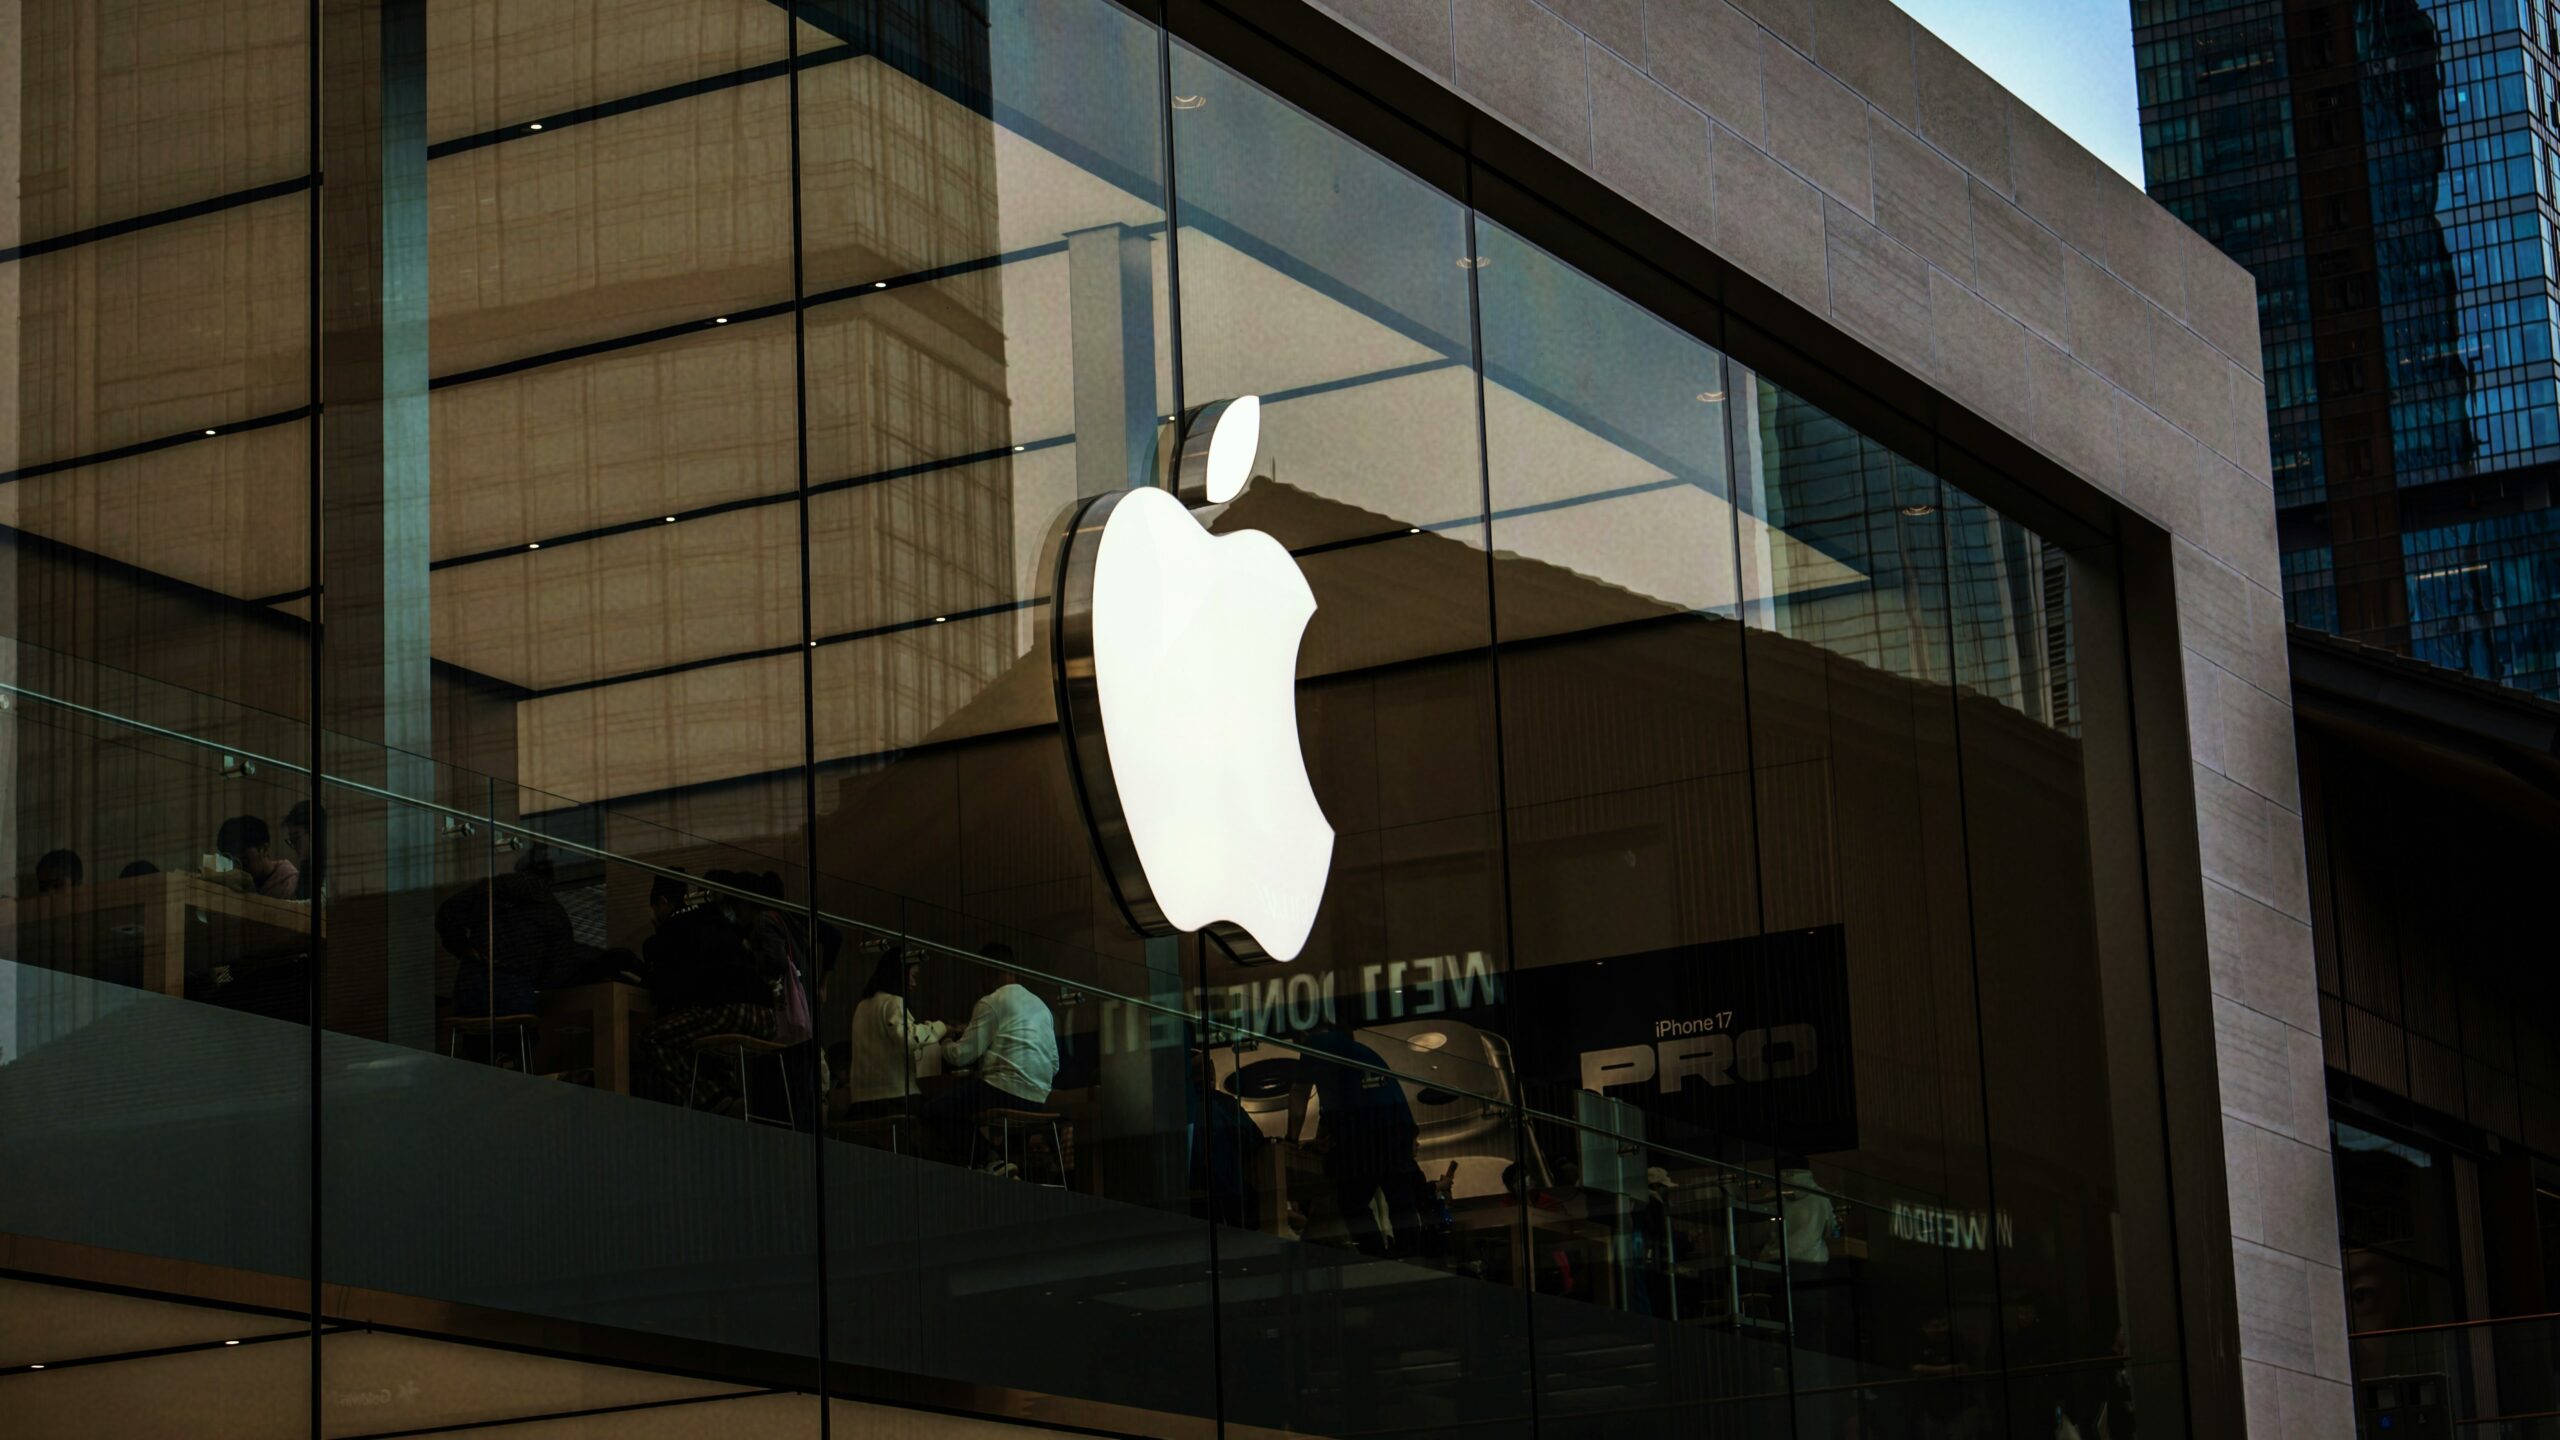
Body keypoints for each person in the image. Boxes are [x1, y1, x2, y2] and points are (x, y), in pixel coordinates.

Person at [1286, 1021, 1442, 1259]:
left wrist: (1291, 1139)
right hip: (1396, 1128)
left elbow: (1300, 1094)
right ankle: (1410, 1256)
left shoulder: (1316, 1043)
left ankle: (1376, 1258)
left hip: (1365, 1133)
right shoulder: (1361, 1050)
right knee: (1401, 1201)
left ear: (1304, 1033)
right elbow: (1347, 1097)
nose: (1300, 1049)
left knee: (1353, 1202)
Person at [639, 874, 782, 1113]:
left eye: (655, 909)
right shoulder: (719, 922)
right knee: (700, 1036)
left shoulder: (675, 927)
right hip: (767, 1018)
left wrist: (660, 935)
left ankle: (711, 1097)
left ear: (663, 903)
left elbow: (665, 985)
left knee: (652, 1037)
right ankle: (729, 1096)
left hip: (730, 1009)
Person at [923, 944, 1059, 1169]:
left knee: (934, 1111)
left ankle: (989, 1159)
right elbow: (1054, 1065)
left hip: (1004, 1091)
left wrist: (945, 1039)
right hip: (1038, 1099)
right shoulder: (1041, 1006)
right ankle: (1003, 1166)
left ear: (987, 970)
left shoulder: (991, 1002)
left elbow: (960, 1056)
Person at [436, 847, 580, 1018]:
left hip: (475, 977)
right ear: (550, 880)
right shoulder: (552, 911)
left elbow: (449, 913)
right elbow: (559, 964)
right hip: (517, 983)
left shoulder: (491, 890)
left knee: (473, 1030)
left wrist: (466, 951)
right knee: (513, 1031)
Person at [839, 948, 946, 1117]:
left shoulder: (862, 1006)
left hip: (861, 1101)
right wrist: (942, 1027)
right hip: (894, 1097)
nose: (914, 983)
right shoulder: (893, 1002)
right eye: (913, 976)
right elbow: (909, 1038)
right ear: (899, 974)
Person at [213, 816, 299, 898]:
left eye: (244, 861)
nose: (237, 869)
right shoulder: (231, 882)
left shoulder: (290, 885)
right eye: (231, 862)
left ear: (264, 849)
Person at [281, 800, 323, 901]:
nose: (294, 845)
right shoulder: (306, 867)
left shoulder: (327, 864)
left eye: (296, 837)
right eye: (291, 840)